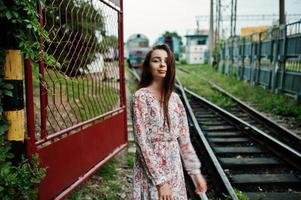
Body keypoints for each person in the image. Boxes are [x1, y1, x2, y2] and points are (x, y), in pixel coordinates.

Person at [131, 44, 207, 200]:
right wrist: (161, 182)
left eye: (166, 61)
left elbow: (184, 141)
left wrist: (195, 173)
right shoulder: (140, 97)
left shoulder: (176, 100)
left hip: (174, 169)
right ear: (148, 66)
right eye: (156, 60)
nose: (162, 64)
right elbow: (141, 142)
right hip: (151, 171)